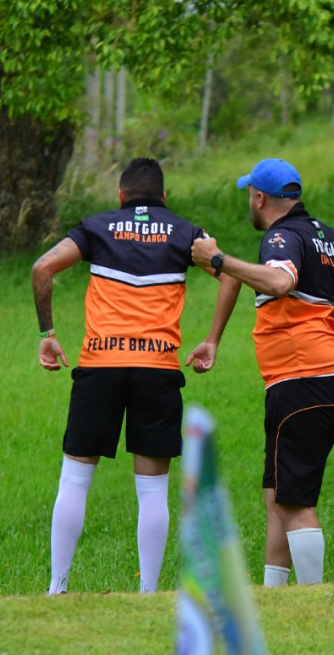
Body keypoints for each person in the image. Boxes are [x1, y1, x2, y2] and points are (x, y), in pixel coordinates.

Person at [32, 156, 240, 595]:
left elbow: (41, 268)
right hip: (157, 370)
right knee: (152, 490)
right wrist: (211, 341)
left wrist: (48, 334)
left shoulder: (96, 227)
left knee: (75, 479)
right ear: (164, 196)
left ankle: (57, 587)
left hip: (99, 367)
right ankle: (147, 593)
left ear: (121, 196)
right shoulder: (186, 232)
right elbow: (231, 277)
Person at [188, 157, 334, 587]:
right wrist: (327, 280)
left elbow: (279, 283)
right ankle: (274, 595)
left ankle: (313, 599)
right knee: (277, 494)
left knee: (296, 503)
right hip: (330, 377)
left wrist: (218, 259)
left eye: (249, 196)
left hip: (302, 378)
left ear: (259, 198)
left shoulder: (281, 237)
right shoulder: (330, 237)